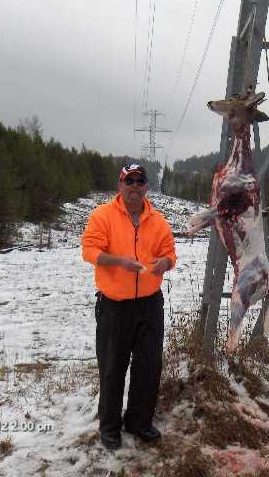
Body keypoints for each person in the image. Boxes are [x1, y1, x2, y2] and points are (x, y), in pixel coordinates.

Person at [81, 164, 176, 450]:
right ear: (120, 186)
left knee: (148, 367)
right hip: (114, 307)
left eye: (140, 181)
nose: (135, 186)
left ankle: (139, 422)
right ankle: (110, 427)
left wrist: (165, 263)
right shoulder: (102, 216)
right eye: (129, 181)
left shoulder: (157, 221)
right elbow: (89, 251)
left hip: (150, 305)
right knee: (112, 368)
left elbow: (170, 253)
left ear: (147, 187)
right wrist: (120, 262)